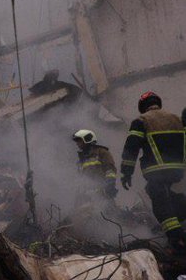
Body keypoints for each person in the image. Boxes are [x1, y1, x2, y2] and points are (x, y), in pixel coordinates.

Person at [121, 91, 186, 247]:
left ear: (143, 107)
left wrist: (126, 172)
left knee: (159, 200)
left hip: (156, 169)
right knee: (167, 195)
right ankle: (174, 222)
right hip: (177, 169)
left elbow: (131, 148)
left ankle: (175, 237)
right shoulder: (176, 118)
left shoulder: (142, 121)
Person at [72, 129, 117, 199]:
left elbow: (110, 169)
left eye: (79, 141)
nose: (77, 143)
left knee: (107, 209)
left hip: (102, 193)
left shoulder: (102, 152)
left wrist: (110, 184)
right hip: (86, 196)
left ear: (87, 139)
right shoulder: (81, 160)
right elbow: (80, 179)